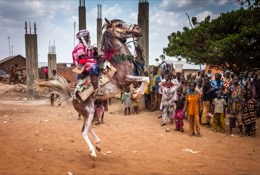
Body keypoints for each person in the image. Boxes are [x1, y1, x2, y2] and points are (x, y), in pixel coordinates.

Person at [72, 29, 103, 96]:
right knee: (94, 67)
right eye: (87, 36)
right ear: (83, 37)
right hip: (82, 64)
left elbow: (91, 55)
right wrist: (95, 57)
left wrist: (95, 53)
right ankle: (97, 89)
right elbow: (82, 57)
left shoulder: (87, 46)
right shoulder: (80, 46)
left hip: (89, 62)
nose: (89, 38)